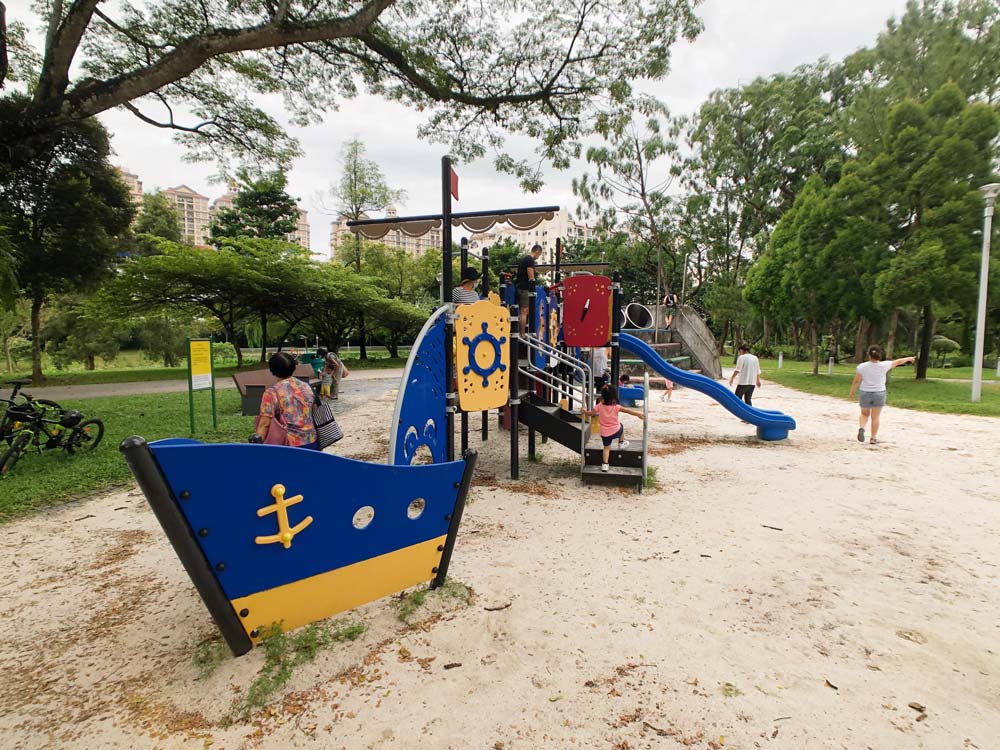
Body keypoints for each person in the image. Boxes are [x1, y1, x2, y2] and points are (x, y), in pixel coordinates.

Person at [849, 345, 915, 445]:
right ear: (880, 355)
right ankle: (873, 438)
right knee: (875, 417)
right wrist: (909, 358)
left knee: (864, 414)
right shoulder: (885, 365)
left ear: (868, 355)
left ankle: (862, 427)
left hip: (865, 392)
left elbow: (856, 381)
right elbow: (898, 361)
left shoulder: (861, 366)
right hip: (879, 393)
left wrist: (852, 392)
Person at [255, 352, 318, 448]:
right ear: (294, 367)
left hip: (289, 445)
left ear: (272, 370)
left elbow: (264, 424)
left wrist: (256, 447)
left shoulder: (272, 393)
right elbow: (314, 410)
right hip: (311, 441)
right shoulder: (306, 386)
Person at [583, 386, 645, 473]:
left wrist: (584, 411)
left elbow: (590, 414)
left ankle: (605, 465)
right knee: (621, 426)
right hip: (616, 431)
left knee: (606, 448)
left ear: (602, 396)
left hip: (604, 433)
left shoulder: (599, 406)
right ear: (614, 396)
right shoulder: (616, 407)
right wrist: (638, 414)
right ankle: (621, 442)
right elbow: (628, 411)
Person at [516, 244, 544, 331]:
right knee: (524, 311)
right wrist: (533, 284)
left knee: (523, 311)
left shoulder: (525, 259)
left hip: (519, 287)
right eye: (539, 255)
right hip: (524, 288)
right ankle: (522, 333)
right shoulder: (530, 260)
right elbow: (531, 276)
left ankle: (522, 332)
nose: (538, 257)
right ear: (537, 252)